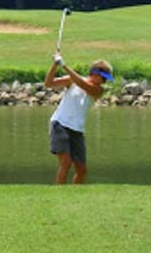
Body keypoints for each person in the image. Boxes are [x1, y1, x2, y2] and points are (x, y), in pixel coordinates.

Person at [44, 53, 113, 184]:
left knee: (82, 169)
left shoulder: (98, 91)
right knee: (66, 163)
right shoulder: (72, 80)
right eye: (103, 78)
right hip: (60, 123)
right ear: (94, 73)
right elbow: (48, 83)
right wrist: (55, 65)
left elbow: (82, 84)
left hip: (77, 130)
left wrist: (63, 65)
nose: (104, 82)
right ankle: (59, 194)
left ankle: (75, 194)